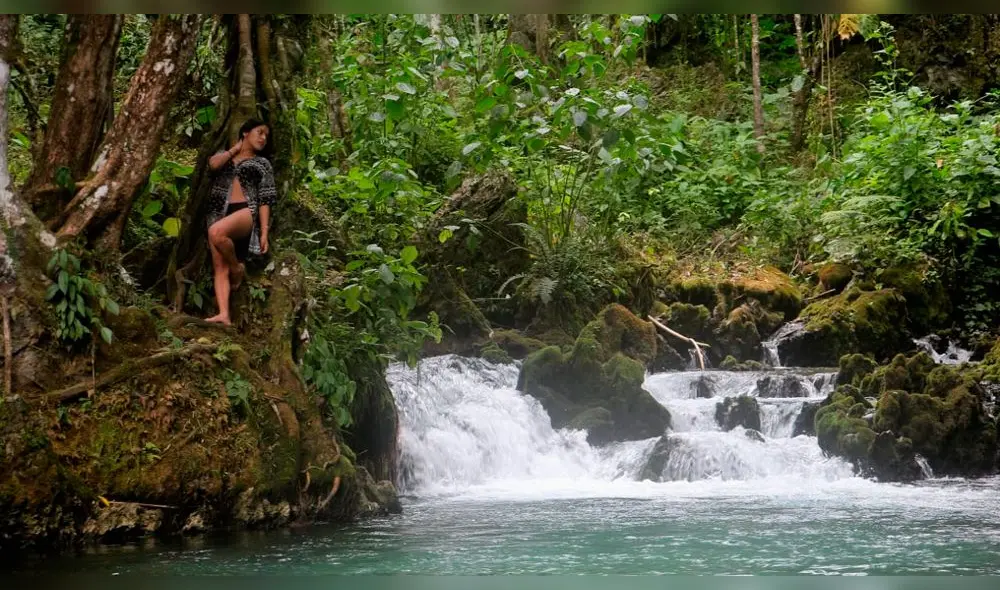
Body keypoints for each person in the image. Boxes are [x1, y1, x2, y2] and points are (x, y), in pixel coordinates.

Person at [204, 119, 277, 325]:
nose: (263, 138)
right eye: (260, 132)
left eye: (266, 136)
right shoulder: (225, 156)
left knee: (216, 233)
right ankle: (224, 314)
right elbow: (212, 165)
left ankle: (237, 268)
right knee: (219, 266)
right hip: (218, 211)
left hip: (246, 211)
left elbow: (265, 199)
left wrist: (264, 231)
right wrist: (235, 149)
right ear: (245, 132)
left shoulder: (262, 164)